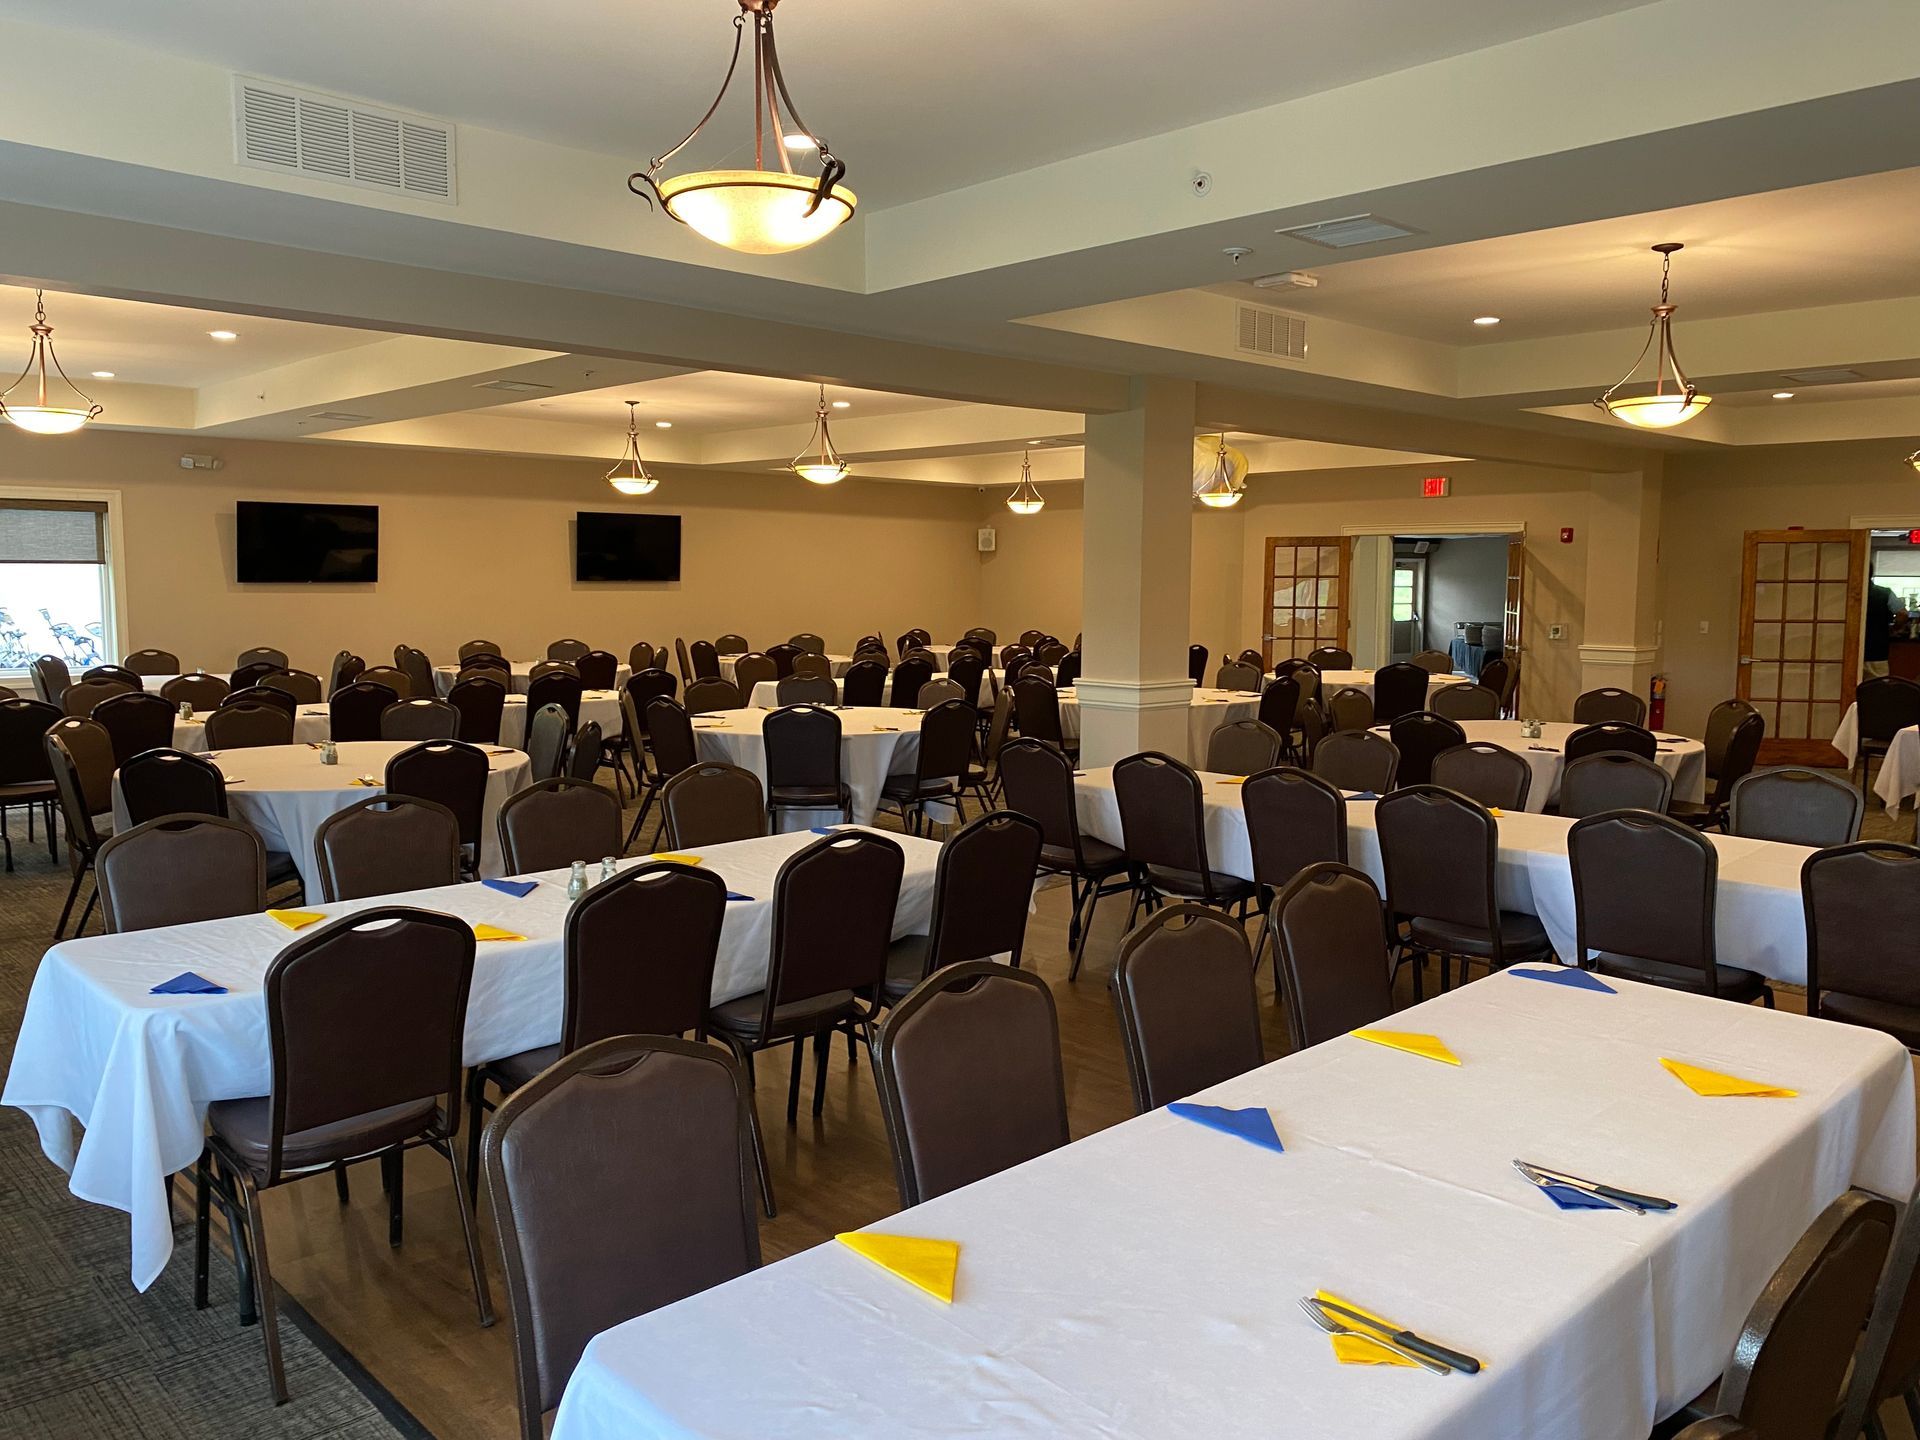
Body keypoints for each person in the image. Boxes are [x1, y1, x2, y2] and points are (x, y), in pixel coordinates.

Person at [1865, 579, 1899, 678]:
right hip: (1877, 650)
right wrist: (1894, 629)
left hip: (1849, 650)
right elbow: (1902, 614)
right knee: (1878, 688)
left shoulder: (1847, 590)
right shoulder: (1885, 593)